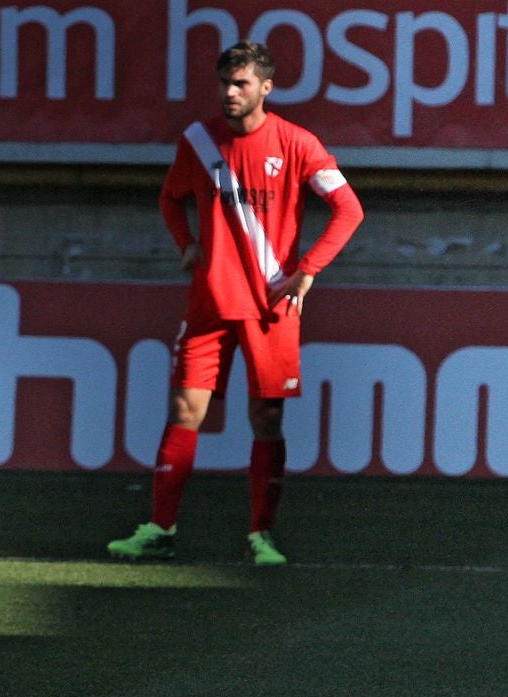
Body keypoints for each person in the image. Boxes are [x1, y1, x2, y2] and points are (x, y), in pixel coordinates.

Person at [108, 41, 363, 566]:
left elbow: (348, 208)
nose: (230, 92)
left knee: (266, 420)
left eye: (241, 83)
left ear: (266, 88)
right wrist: (188, 244)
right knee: (184, 410)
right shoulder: (199, 142)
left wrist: (308, 269)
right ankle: (159, 528)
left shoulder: (296, 143)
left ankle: (261, 535)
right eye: (225, 82)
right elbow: (169, 197)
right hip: (209, 302)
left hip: (271, 304)